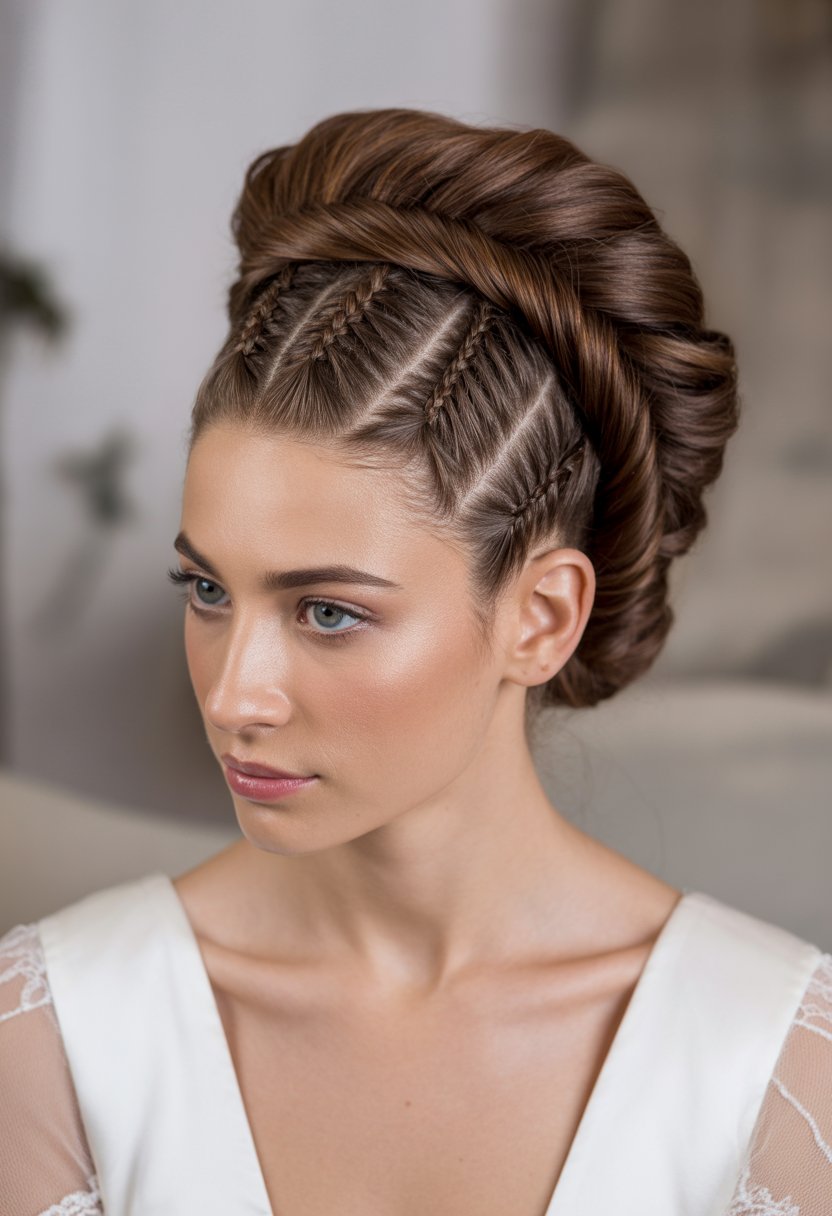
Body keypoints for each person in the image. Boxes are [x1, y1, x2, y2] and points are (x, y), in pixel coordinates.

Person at [0, 107, 829, 1216]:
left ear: (539, 616)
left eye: (329, 612)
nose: (235, 693)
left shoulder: (774, 1076)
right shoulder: (59, 1048)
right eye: (207, 589)